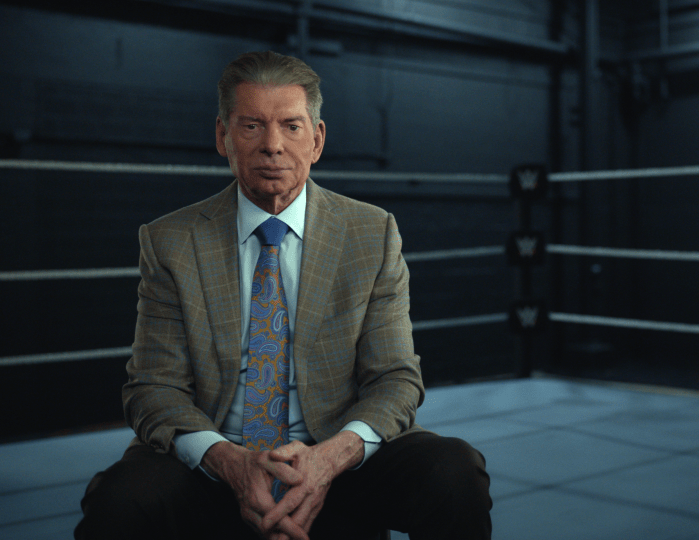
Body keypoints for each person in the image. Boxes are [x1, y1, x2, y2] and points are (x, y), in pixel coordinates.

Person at [75, 50, 491, 540]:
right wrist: (230, 462)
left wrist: (327, 460)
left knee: (455, 471)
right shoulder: (171, 241)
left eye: (291, 126)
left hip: (336, 460)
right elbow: (153, 388)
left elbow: (395, 381)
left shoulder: (371, 233)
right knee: (119, 501)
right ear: (221, 137)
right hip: (216, 462)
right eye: (251, 125)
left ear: (316, 140)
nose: (272, 145)